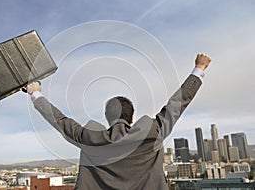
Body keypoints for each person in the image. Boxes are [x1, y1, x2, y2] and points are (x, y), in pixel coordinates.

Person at [27, 53, 211, 190]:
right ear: (132, 118)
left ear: (108, 118)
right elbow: (177, 104)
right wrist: (199, 68)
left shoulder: (87, 138)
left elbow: (59, 120)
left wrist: (35, 93)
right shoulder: (153, 133)